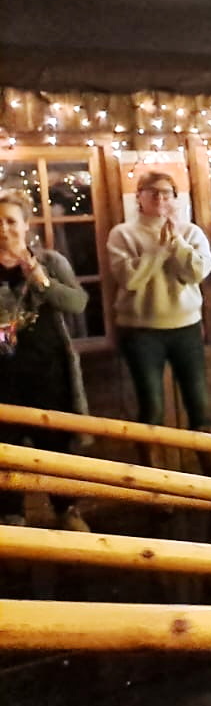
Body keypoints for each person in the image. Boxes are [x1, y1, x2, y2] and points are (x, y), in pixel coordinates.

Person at [106, 171, 211, 463]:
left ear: (175, 198)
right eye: (152, 192)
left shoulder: (191, 232)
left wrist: (177, 243)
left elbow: (196, 273)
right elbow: (130, 279)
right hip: (140, 331)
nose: (160, 198)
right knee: (151, 408)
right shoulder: (122, 234)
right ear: (139, 197)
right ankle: (153, 479)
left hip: (186, 327)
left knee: (200, 406)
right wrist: (158, 250)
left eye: (166, 193)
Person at [0, 189, 91, 530]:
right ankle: (11, 517)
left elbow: (78, 303)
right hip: (3, 376)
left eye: (11, 221)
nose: (4, 229)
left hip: (49, 370)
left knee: (56, 446)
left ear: (26, 225)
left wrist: (41, 280)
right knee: (5, 450)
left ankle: (67, 511)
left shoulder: (52, 261)